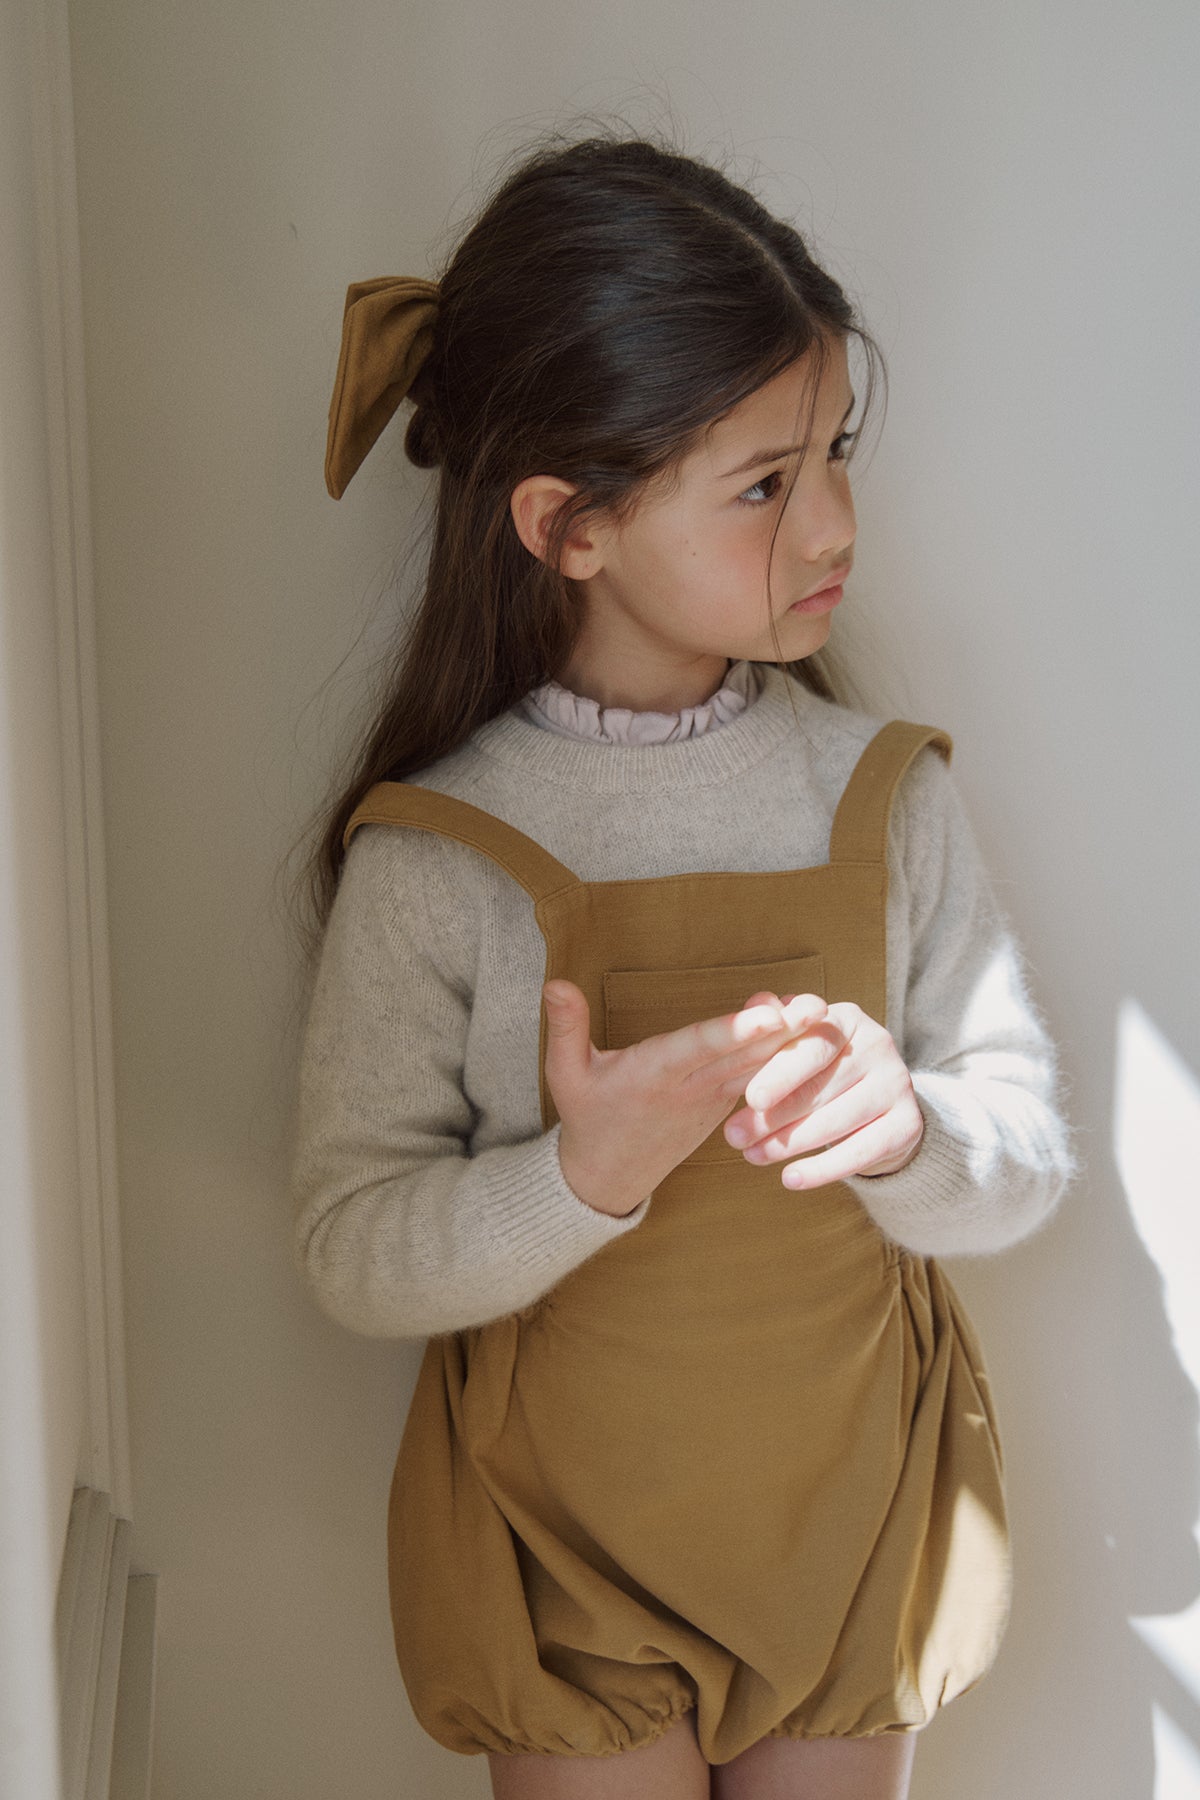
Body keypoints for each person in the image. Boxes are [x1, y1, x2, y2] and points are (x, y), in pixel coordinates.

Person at [291, 130, 1078, 1800]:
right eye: (765, 482)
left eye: (836, 454)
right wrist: (581, 1174)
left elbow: (1021, 1156)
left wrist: (911, 1133)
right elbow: (354, 1250)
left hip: (852, 1518)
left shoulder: (882, 793)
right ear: (567, 526)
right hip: (567, 1558)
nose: (835, 521)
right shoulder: (441, 857)